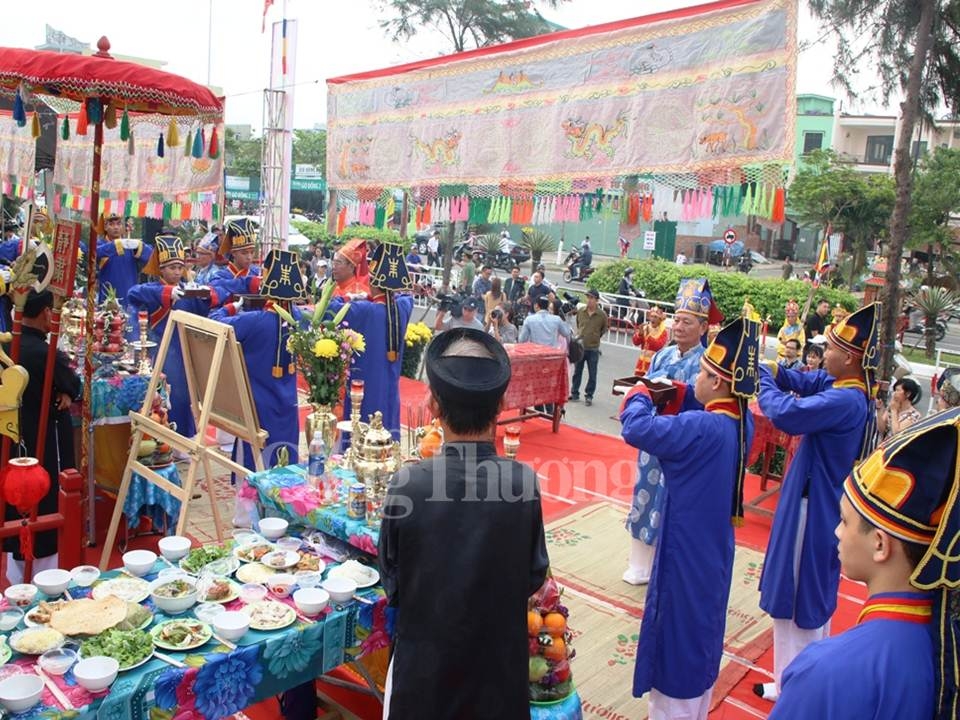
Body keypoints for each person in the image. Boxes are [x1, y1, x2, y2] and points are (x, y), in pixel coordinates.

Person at [378, 328, 550, 719]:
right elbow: (534, 575)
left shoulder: (408, 482)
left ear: (434, 407)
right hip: (497, 675)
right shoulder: (522, 483)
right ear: (502, 404)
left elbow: (392, 578)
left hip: (425, 675)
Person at [770, 408, 960, 720]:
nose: (837, 532)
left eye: (844, 521)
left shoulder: (825, 671)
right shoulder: (943, 645)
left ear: (880, 544)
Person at [622, 317, 758, 720]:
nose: (696, 375)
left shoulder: (702, 428)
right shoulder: (740, 422)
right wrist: (680, 393)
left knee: (676, 636)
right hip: (713, 548)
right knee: (702, 631)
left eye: (702, 372)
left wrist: (641, 392)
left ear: (717, 382)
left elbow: (637, 428)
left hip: (685, 550)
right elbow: (705, 404)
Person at [754, 302, 880, 702]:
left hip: (813, 508)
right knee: (808, 593)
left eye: (831, 350)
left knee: (798, 597)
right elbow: (809, 381)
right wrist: (778, 370)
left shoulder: (845, 401)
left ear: (850, 357)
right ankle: (793, 679)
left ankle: (798, 689)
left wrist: (762, 379)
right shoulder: (846, 389)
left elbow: (787, 413)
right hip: (820, 502)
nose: (823, 354)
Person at [624, 278, 723, 585]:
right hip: (653, 439)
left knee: (673, 504)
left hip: (684, 444)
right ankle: (639, 565)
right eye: (676, 319)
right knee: (644, 497)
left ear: (703, 327)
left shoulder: (709, 364)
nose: (678, 326)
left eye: (686, 321)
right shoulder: (662, 355)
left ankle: (664, 569)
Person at [2, 289, 81, 584]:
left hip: (13, 438)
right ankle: (47, 574)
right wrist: (67, 390)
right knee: (44, 500)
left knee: (15, 498)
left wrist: (63, 389)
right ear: (47, 312)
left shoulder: (9, 346)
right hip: (42, 441)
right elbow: (72, 382)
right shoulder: (44, 354)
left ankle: (15, 567)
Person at [126, 235, 226, 441]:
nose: (177, 272)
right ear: (160, 269)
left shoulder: (188, 289)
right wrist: (167, 293)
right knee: (163, 396)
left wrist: (207, 296)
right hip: (161, 350)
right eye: (172, 267)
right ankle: (161, 437)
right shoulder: (153, 290)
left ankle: (184, 438)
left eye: (180, 267)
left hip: (184, 349)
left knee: (185, 395)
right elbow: (133, 294)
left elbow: (204, 308)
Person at [210, 250, 304, 469]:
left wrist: (231, 307)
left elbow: (214, 322)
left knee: (254, 466)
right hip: (289, 401)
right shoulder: (301, 320)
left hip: (256, 402)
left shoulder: (253, 320)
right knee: (286, 461)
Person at [334, 241, 414, 440]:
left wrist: (352, 299)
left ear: (373, 281)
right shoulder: (402, 308)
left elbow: (328, 309)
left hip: (365, 384)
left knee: (361, 430)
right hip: (389, 383)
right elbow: (406, 296)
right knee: (387, 429)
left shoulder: (364, 310)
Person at [96, 212, 153, 303]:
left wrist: (139, 246)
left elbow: (151, 257)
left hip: (129, 295)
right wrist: (117, 244)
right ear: (105, 227)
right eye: (111, 224)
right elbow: (95, 253)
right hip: (108, 297)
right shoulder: (100, 244)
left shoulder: (130, 245)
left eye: (118, 224)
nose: (116, 227)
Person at [569, 288, 608, 407]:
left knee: (592, 373)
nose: (589, 300)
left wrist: (595, 337)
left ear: (597, 300)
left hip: (593, 348)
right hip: (581, 346)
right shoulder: (581, 311)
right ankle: (574, 393)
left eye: (592, 298)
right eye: (588, 298)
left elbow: (603, 329)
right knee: (577, 371)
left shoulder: (601, 315)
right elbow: (578, 324)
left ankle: (589, 395)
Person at [632, 306, 669, 376]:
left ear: (660, 319)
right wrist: (640, 334)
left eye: (655, 317)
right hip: (642, 362)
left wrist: (649, 336)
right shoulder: (645, 327)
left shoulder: (663, 332)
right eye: (651, 316)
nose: (653, 319)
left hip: (654, 363)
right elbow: (635, 342)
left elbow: (658, 346)